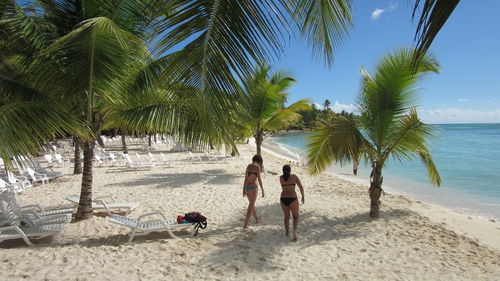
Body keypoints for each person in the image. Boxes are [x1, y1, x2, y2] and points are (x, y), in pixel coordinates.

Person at [279, 165, 304, 241]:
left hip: (283, 198)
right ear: (290, 170)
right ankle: (294, 232)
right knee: (295, 216)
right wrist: (303, 196)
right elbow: (301, 187)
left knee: (286, 216)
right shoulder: (294, 177)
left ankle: (287, 232)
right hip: (292, 198)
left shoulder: (281, 178)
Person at [242, 154, 265, 229]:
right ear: (259, 161)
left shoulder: (248, 166)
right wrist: (262, 189)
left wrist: (243, 189)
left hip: (247, 187)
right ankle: (245, 224)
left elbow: (245, 178)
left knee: (251, 204)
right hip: (253, 187)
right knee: (251, 205)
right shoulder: (257, 167)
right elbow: (259, 179)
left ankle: (256, 219)